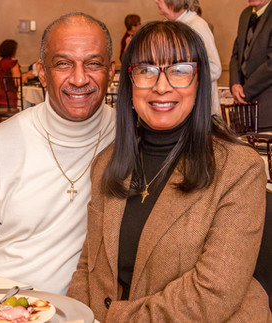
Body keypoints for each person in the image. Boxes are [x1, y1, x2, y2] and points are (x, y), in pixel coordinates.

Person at [67, 21, 271, 322]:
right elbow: (89, 268)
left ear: (199, 82)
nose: (161, 86)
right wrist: (75, 316)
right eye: (147, 70)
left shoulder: (239, 169)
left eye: (179, 70)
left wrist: (113, 319)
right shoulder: (107, 164)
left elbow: (213, 294)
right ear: (130, 83)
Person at [0, 12, 116, 295]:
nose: (79, 78)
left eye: (93, 64)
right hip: (5, 304)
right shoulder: (1, 144)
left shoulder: (131, 137)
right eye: (63, 64)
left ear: (111, 71)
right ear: (42, 72)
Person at [154, 0, 221, 115]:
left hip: (199, 111)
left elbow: (215, 68)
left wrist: (181, 76)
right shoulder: (171, 25)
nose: (156, 1)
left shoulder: (196, 26)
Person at [230, 0, 272, 131]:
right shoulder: (245, 14)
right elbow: (236, 54)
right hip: (243, 112)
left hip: (267, 110)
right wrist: (235, 84)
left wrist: (245, 92)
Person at [0, 39, 22, 107]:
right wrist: (27, 75)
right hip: (10, 97)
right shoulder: (12, 64)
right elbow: (17, 81)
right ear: (12, 51)